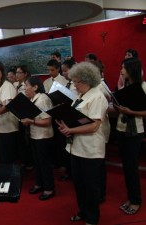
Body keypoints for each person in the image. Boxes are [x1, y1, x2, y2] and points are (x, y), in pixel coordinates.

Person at [56, 62, 108, 225]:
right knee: (79, 185)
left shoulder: (97, 96)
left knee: (91, 186)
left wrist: (70, 130)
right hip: (76, 148)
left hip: (90, 150)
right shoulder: (80, 96)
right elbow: (76, 119)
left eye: (76, 82)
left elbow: (94, 125)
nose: (73, 85)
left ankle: (93, 219)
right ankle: (83, 211)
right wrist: (66, 125)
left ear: (86, 80)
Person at [114, 57, 146, 215]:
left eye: (123, 68)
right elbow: (120, 108)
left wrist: (131, 112)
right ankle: (131, 197)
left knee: (132, 167)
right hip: (121, 128)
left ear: (131, 69)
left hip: (135, 131)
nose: (121, 71)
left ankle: (136, 200)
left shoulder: (144, 86)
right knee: (126, 167)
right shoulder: (124, 86)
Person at [21, 77, 55, 201]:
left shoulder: (43, 99)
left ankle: (49, 188)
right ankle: (39, 184)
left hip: (43, 136)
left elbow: (47, 121)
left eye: (27, 86)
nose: (24, 89)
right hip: (34, 135)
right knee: (37, 162)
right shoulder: (33, 99)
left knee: (44, 163)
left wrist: (30, 121)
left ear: (35, 87)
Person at [14, 65, 33, 170]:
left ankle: (29, 162)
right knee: (21, 140)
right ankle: (25, 160)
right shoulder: (16, 84)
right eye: (16, 72)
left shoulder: (27, 85)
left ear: (25, 74)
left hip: (26, 115)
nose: (17, 74)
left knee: (27, 140)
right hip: (17, 115)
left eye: (20, 72)